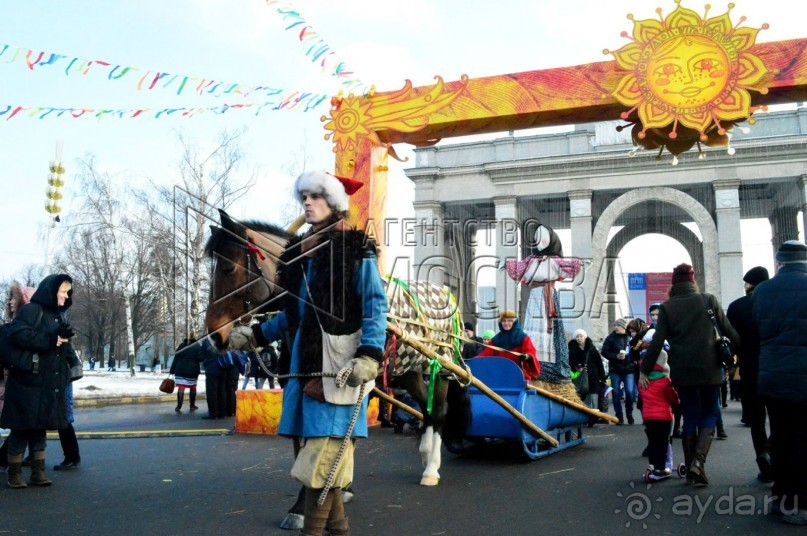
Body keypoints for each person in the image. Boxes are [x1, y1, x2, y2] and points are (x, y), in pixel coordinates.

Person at [243, 170, 388, 536]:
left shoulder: (358, 249)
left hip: (339, 367)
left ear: (334, 202)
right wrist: (256, 334)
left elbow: (374, 305)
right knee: (326, 467)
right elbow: (295, 315)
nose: (307, 202)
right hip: (304, 371)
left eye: (316, 196)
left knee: (320, 465)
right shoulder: (298, 255)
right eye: (303, 196)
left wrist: (370, 356)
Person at [641, 263, 740, 487]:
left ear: (674, 283)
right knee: (710, 414)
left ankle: (691, 470)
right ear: (693, 281)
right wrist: (746, 352)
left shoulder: (667, 307)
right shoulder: (708, 300)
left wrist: (644, 370)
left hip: (683, 372)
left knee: (691, 416)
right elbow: (728, 330)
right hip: (710, 369)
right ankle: (697, 464)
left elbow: (657, 342)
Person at [1, 274, 78, 489]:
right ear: (51, 291)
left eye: (67, 291)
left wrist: (62, 341)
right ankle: (14, 475)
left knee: (39, 429)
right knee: (21, 430)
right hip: (27, 382)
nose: (66, 295)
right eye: (63, 291)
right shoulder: (32, 310)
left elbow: (56, 350)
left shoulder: (57, 315)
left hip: (46, 383)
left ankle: (38, 473)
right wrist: (51, 339)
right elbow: (17, 334)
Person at [752, 241, 807, 524]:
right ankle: (797, 503)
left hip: (773, 378)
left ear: (779, 262)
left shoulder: (762, 291)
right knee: (803, 441)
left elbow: (758, 329)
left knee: (782, 437)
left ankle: (781, 497)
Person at [726, 265, 772, 482]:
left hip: (750, 368)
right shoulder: (776, 302)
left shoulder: (736, 307)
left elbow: (731, 337)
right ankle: (771, 452)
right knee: (781, 418)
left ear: (748, 285)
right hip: (775, 367)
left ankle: (763, 465)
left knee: (756, 420)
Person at [639, 350, 680, 480]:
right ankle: (661, 468)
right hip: (664, 417)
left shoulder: (642, 381)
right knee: (663, 442)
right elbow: (673, 399)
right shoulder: (665, 380)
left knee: (652, 441)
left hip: (648, 417)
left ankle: (652, 465)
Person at [476, 310, 541, 381]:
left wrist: (527, 357)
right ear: (500, 323)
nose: (506, 323)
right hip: (500, 377)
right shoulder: (495, 340)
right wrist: (471, 361)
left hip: (520, 377)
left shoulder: (523, 338)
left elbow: (531, 352)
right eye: (504, 321)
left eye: (510, 321)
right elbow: (485, 355)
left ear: (515, 322)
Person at [567, 329, 606, 411]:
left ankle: (593, 416)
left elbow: (599, 363)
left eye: (581, 336)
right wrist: (576, 367)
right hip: (580, 378)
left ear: (585, 337)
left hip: (593, 377)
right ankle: (581, 415)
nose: (579, 338)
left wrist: (603, 377)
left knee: (593, 397)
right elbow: (570, 362)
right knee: (581, 396)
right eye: (577, 336)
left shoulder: (592, 348)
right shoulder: (571, 349)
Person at [601, 318, 631, 424]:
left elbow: (635, 351)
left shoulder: (630, 337)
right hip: (615, 369)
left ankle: (629, 414)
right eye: (614, 325)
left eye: (617, 325)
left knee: (630, 392)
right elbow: (604, 352)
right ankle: (619, 417)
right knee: (616, 394)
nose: (615, 327)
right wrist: (616, 356)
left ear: (623, 327)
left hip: (629, 369)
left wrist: (628, 357)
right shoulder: (610, 338)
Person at [170, 334, 204, 413]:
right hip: (192, 371)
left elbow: (176, 358)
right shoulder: (197, 346)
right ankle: (192, 405)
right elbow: (200, 358)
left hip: (180, 369)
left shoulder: (181, 345)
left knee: (181, 387)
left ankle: (179, 406)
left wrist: (172, 371)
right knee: (192, 387)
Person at [54, 382, 81, 470]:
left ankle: (72, 457)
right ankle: (35, 454)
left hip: (60, 380)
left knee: (63, 418)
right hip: (57, 379)